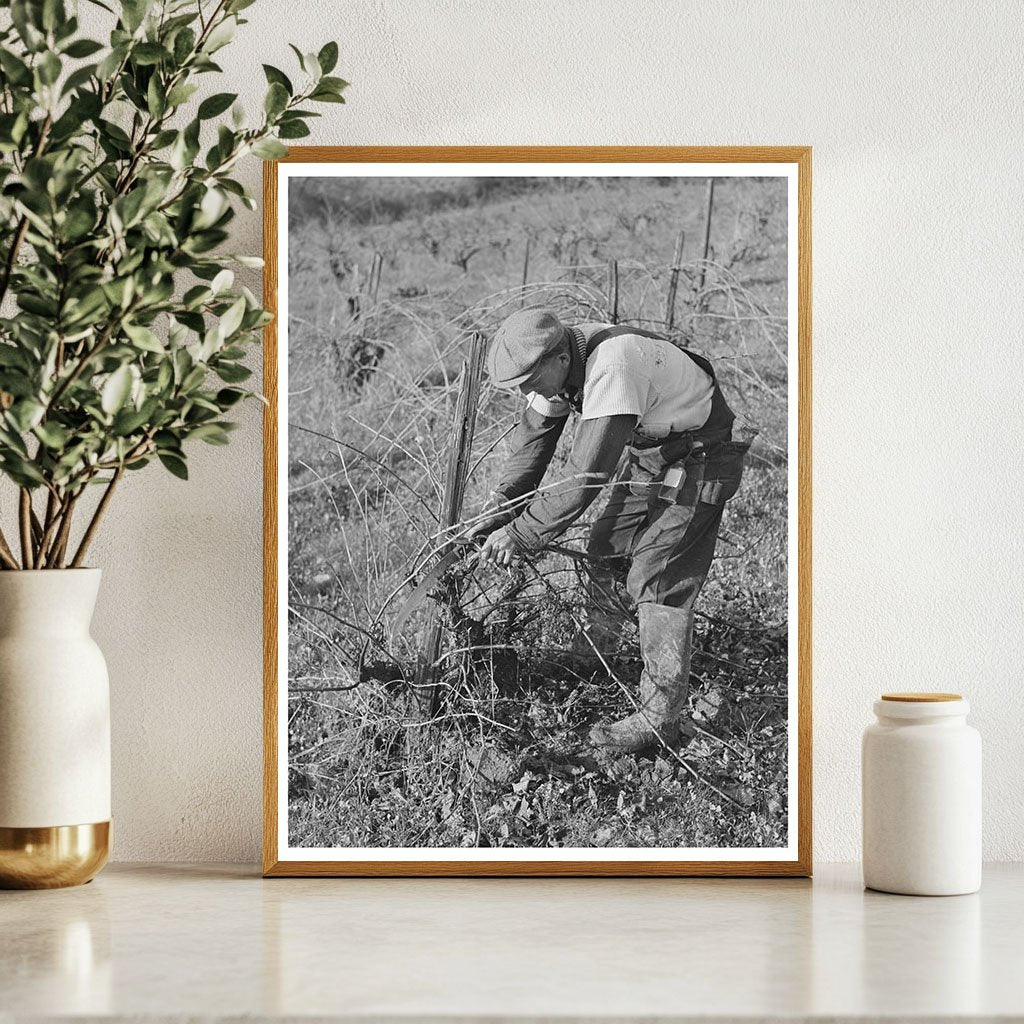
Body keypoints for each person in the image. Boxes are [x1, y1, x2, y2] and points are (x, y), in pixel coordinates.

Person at [473, 306, 753, 754]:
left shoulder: (613, 367)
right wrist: (501, 507)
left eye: (529, 383)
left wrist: (521, 534)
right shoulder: (557, 365)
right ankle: (599, 651)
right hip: (655, 451)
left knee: (658, 572)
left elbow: (584, 479)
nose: (526, 393)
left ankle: (659, 717)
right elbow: (532, 447)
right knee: (606, 546)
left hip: (703, 452)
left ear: (560, 359)